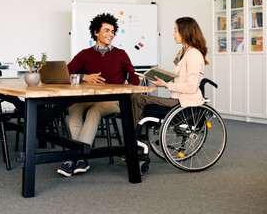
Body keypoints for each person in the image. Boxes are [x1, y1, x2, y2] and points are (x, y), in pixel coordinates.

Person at [57, 13, 140, 177]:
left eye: (113, 31)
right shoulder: (84, 54)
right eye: (107, 30)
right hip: (87, 98)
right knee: (73, 109)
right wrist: (84, 77)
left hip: (112, 100)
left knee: (95, 111)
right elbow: (65, 73)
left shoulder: (121, 54)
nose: (111, 34)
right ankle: (80, 158)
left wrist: (128, 85)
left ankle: (76, 156)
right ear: (96, 32)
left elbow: (135, 78)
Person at [131, 16, 209, 129]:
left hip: (185, 102)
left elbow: (191, 87)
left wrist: (166, 84)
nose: (173, 34)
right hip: (176, 99)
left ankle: (136, 143)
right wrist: (160, 81)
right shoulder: (182, 53)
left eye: (176, 30)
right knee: (135, 98)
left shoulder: (193, 54)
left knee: (139, 99)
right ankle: (139, 141)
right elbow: (178, 79)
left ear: (185, 32)